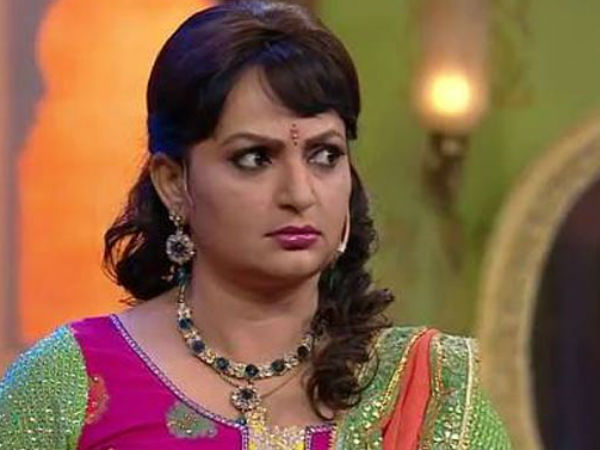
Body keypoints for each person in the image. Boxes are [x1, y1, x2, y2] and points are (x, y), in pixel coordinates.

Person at [0, 1, 512, 449]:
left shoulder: (431, 392)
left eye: (325, 155)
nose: (299, 193)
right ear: (174, 182)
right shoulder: (65, 385)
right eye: (254, 158)